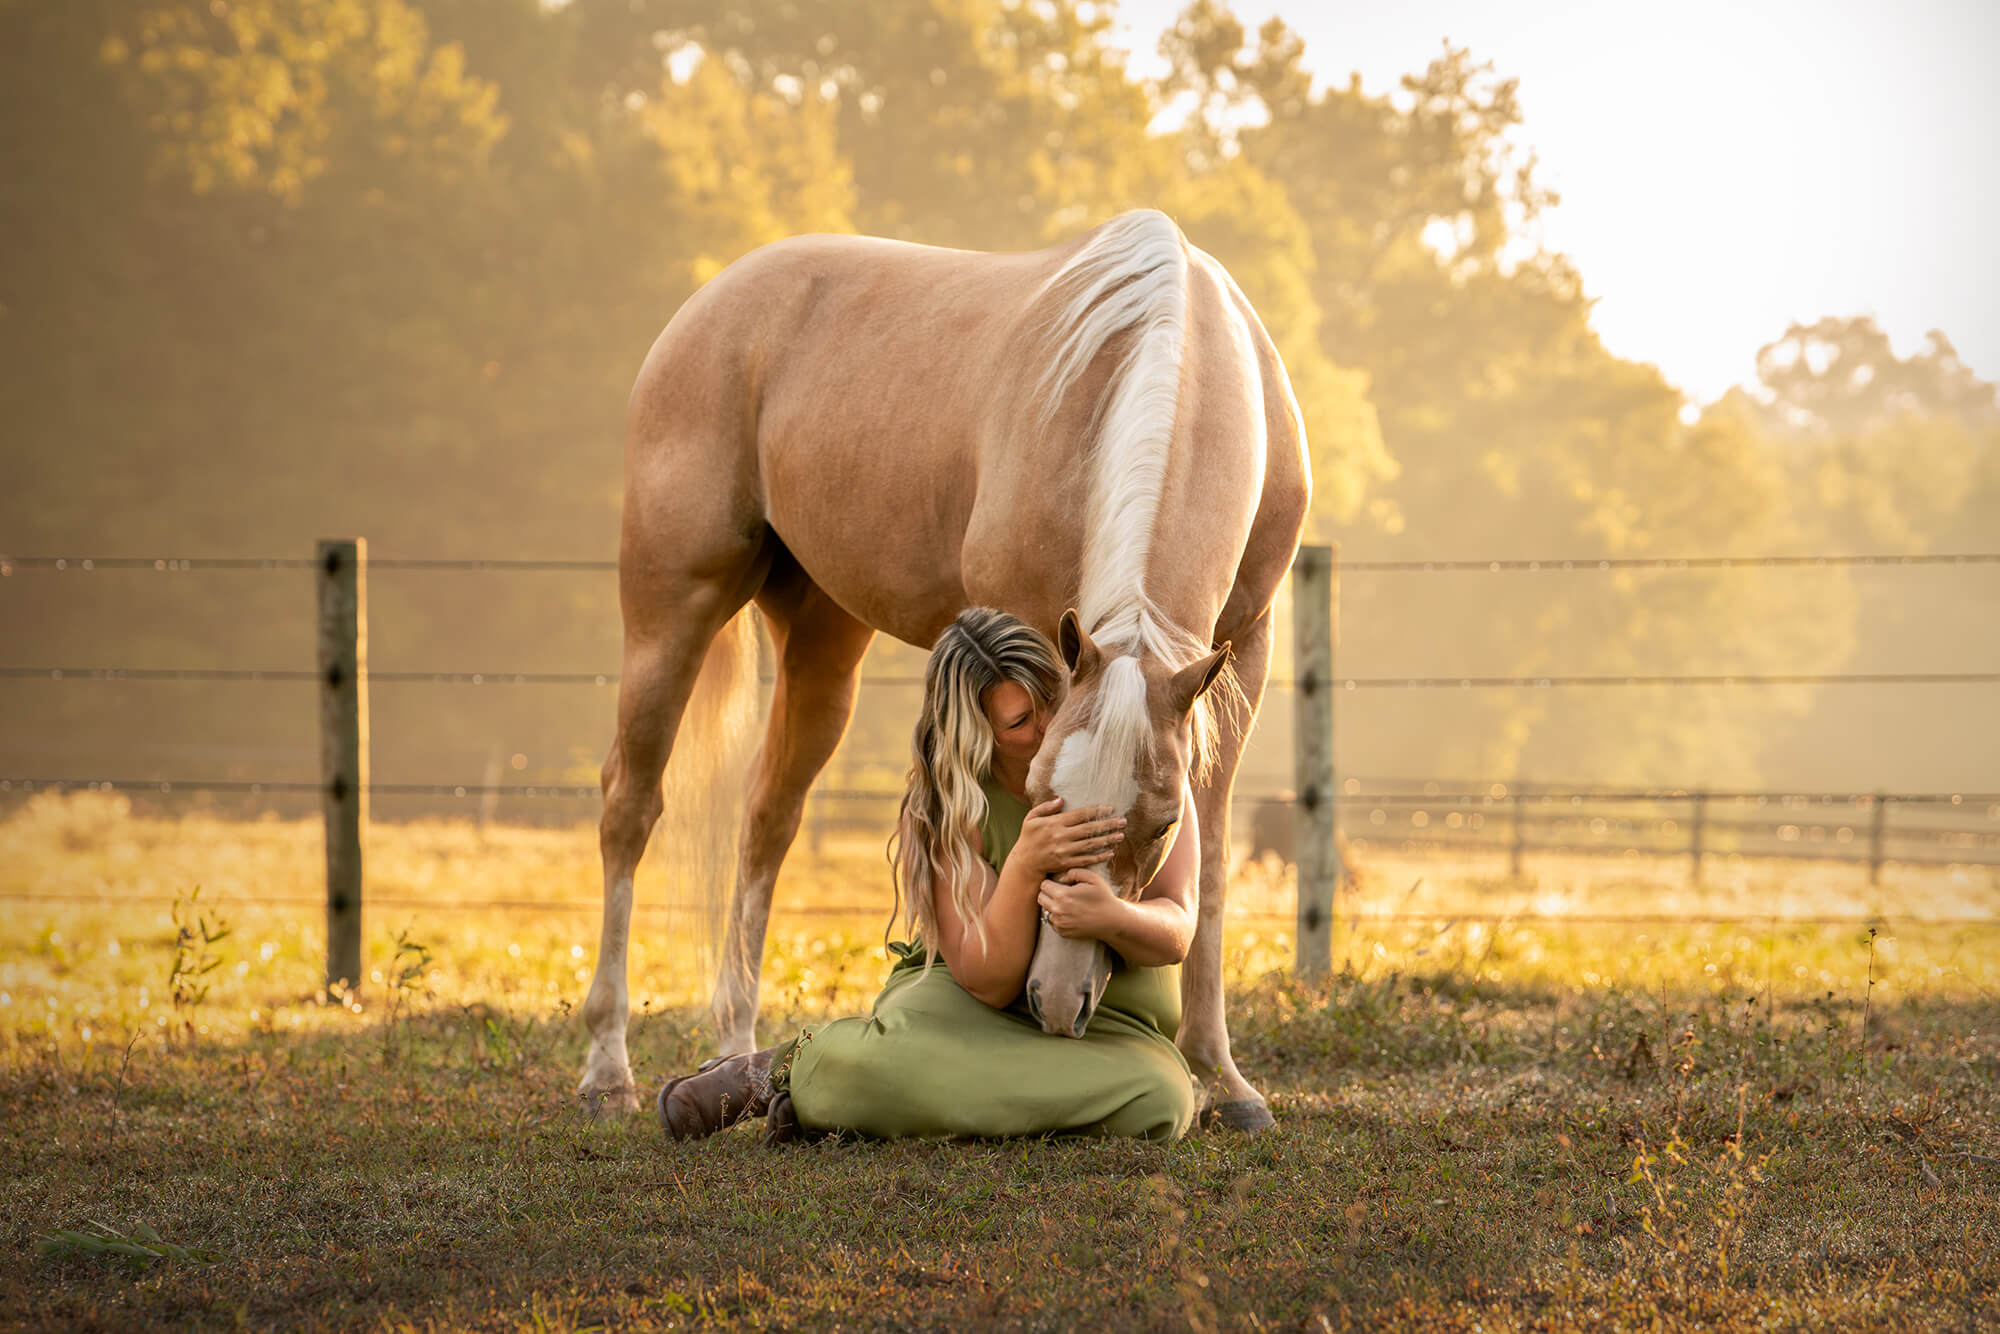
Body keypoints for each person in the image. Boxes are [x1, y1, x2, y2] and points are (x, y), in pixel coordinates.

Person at [657, 607, 1200, 1142]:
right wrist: (1025, 864)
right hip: (967, 1017)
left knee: (1160, 1100)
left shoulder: (1141, 756)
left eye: (1052, 703)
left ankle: (866, 1098)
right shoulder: (951, 806)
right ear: (979, 735)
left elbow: (1178, 919)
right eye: (1019, 722)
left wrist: (1115, 917)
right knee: (934, 1058)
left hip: (1114, 1030)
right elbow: (990, 981)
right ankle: (778, 1071)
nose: (1048, 727)